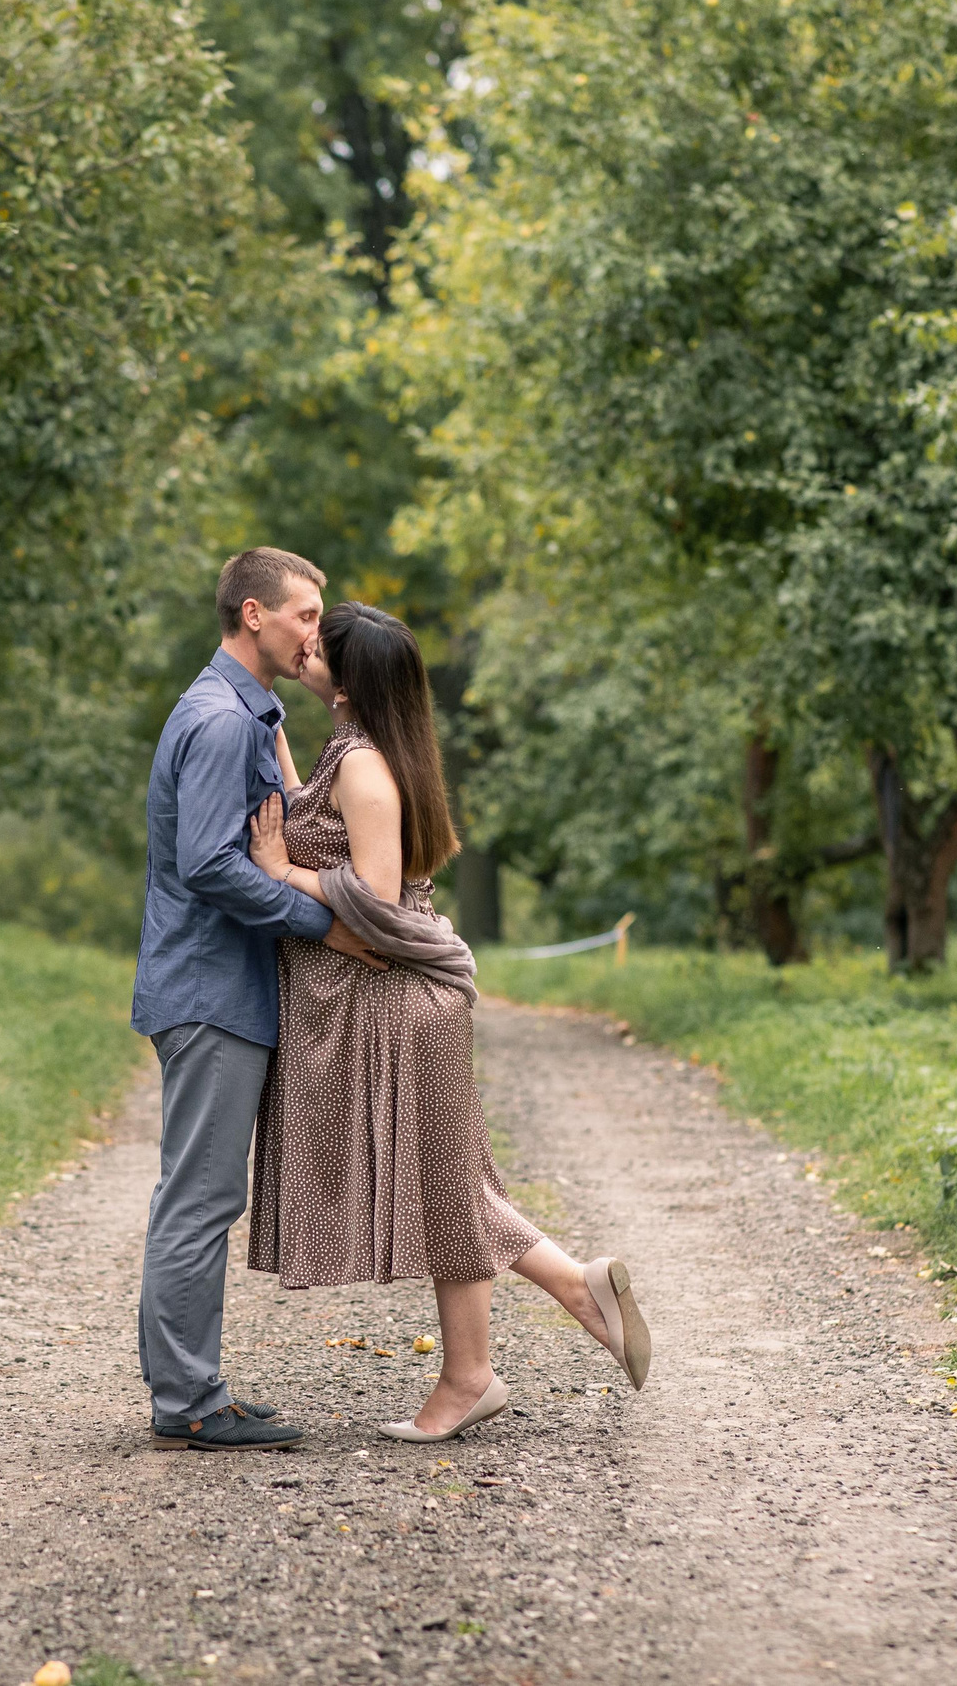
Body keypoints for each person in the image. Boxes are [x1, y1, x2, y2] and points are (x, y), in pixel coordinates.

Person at [246, 601, 653, 1442]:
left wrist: (287, 871)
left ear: (352, 682)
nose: (308, 645)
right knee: (454, 1190)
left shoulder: (363, 765)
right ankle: (572, 1296)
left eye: (323, 643)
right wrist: (278, 746)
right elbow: (329, 822)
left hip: (402, 1008)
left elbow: (377, 892)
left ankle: (476, 1371)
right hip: (402, 1010)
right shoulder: (359, 752)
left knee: (448, 1196)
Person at [132, 547, 385, 1451]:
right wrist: (326, 927)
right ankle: (189, 1402)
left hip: (223, 985)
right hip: (209, 987)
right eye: (307, 615)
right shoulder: (221, 720)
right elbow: (207, 864)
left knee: (196, 1195)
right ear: (253, 614)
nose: (318, 633)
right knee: (199, 1199)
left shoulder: (250, 714)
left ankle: (185, 1387)